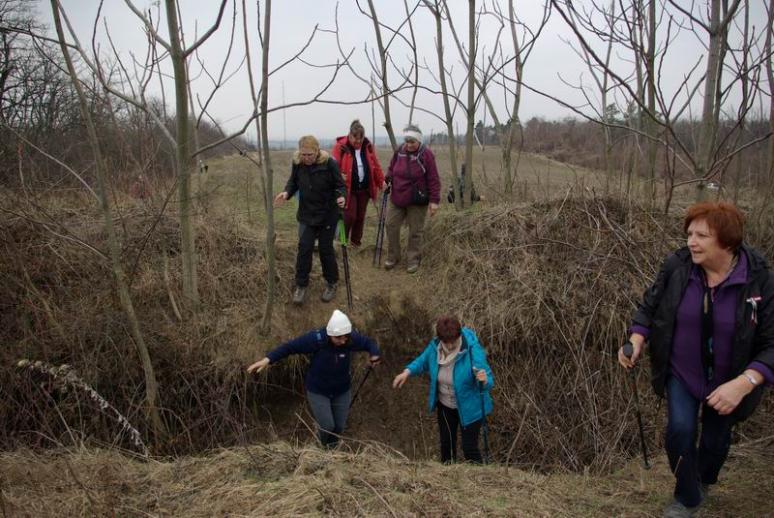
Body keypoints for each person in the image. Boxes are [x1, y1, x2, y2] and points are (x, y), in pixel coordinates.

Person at [618, 202, 773, 518]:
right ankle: (687, 497)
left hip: (732, 379)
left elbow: (772, 343)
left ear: (727, 241)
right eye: (690, 233)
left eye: (701, 235)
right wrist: (636, 339)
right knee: (679, 432)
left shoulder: (760, 282)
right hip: (683, 371)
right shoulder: (678, 267)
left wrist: (745, 382)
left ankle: (704, 479)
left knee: (716, 443)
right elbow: (650, 306)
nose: (691, 241)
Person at [247, 309, 381, 448]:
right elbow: (289, 347)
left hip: (342, 391)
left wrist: (374, 354)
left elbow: (368, 343)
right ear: (330, 334)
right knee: (327, 425)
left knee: (339, 427)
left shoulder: (349, 339)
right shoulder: (316, 340)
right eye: (339, 338)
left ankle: (332, 451)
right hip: (318, 391)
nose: (343, 341)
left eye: (345, 337)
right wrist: (267, 360)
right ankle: (320, 448)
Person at [392, 315, 494, 463]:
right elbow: (422, 361)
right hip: (446, 406)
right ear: (440, 339)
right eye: (447, 343)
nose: (451, 346)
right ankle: (447, 480)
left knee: (469, 449)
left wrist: (484, 380)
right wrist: (406, 372)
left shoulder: (472, 350)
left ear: (459, 335)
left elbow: (489, 381)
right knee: (446, 447)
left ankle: (478, 481)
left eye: (454, 341)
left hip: (470, 407)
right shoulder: (435, 348)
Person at [275, 135, 346, 305]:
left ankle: (331, 283)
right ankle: (301, 285)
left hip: (328, 214)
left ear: (317, 151)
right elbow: (293, 182)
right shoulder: (297, 162)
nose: (306, 158)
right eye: (303, 154)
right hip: (307, 214)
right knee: (304, 249)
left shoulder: (329, 163)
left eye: (310, 155)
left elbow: (340, 186)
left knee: (325, 249)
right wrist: (286, 193)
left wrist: (342, 196)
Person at [384, 124, 441, 274]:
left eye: (412, 142)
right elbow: (391, 168)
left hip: (417, 198)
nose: (409, 145)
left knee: (415, 231)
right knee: (391, 225)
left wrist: (434, 201)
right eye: (407, 141)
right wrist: (387, 179)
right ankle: (393, 256)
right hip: (398, 196)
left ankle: (413, 259)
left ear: (419, 141)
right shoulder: (399, 151)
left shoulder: (426, 154)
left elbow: (433, 178)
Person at [331, 119, 386, 247]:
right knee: (349, 216)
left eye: (360, 139)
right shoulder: (341, 147)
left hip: (364, 189)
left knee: (360, 217)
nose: (358, 142)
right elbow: (332, 167)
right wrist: (339, 176)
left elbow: (375, 166)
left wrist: (381, 181)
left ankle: (356, 243)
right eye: (355, 139)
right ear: (349, 135)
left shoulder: (367, 147)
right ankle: (341, 242)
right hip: (348, 189)